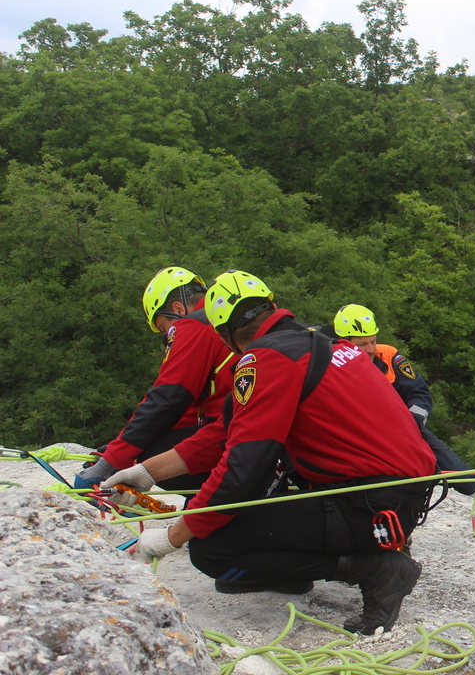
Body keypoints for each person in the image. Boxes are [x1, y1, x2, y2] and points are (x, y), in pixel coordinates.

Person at [111, 270, 437, 635]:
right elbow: (224, 432)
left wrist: (171, 537)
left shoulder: (267, 360)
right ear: (271, 306)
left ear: (224, 333)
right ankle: (298, 569)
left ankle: (375, 571)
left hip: (367, 505)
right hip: (395, 495)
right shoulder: (319, 341)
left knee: (211, 549)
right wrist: (145, 473)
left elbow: (241, 470)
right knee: (225, 531)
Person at [74, 267, 234, 491]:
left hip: (233, 433)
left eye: (163, 328)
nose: (168, 337)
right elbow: (184, 411)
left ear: (178, 309)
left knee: (154, 452)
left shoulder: (193, 325)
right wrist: (119, 449)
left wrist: (112, 461)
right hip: (254, 429)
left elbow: (168, 399)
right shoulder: (230, 317)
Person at [328, 304, 475, 498]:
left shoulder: (389, 356)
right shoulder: (331, 366)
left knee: (460, 473)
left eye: (373, 341)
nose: (370, 349)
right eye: (362, 344)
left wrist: (412, 422)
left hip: (404, 430)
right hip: (362, 439)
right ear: (344, 342)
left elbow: (419, 392)